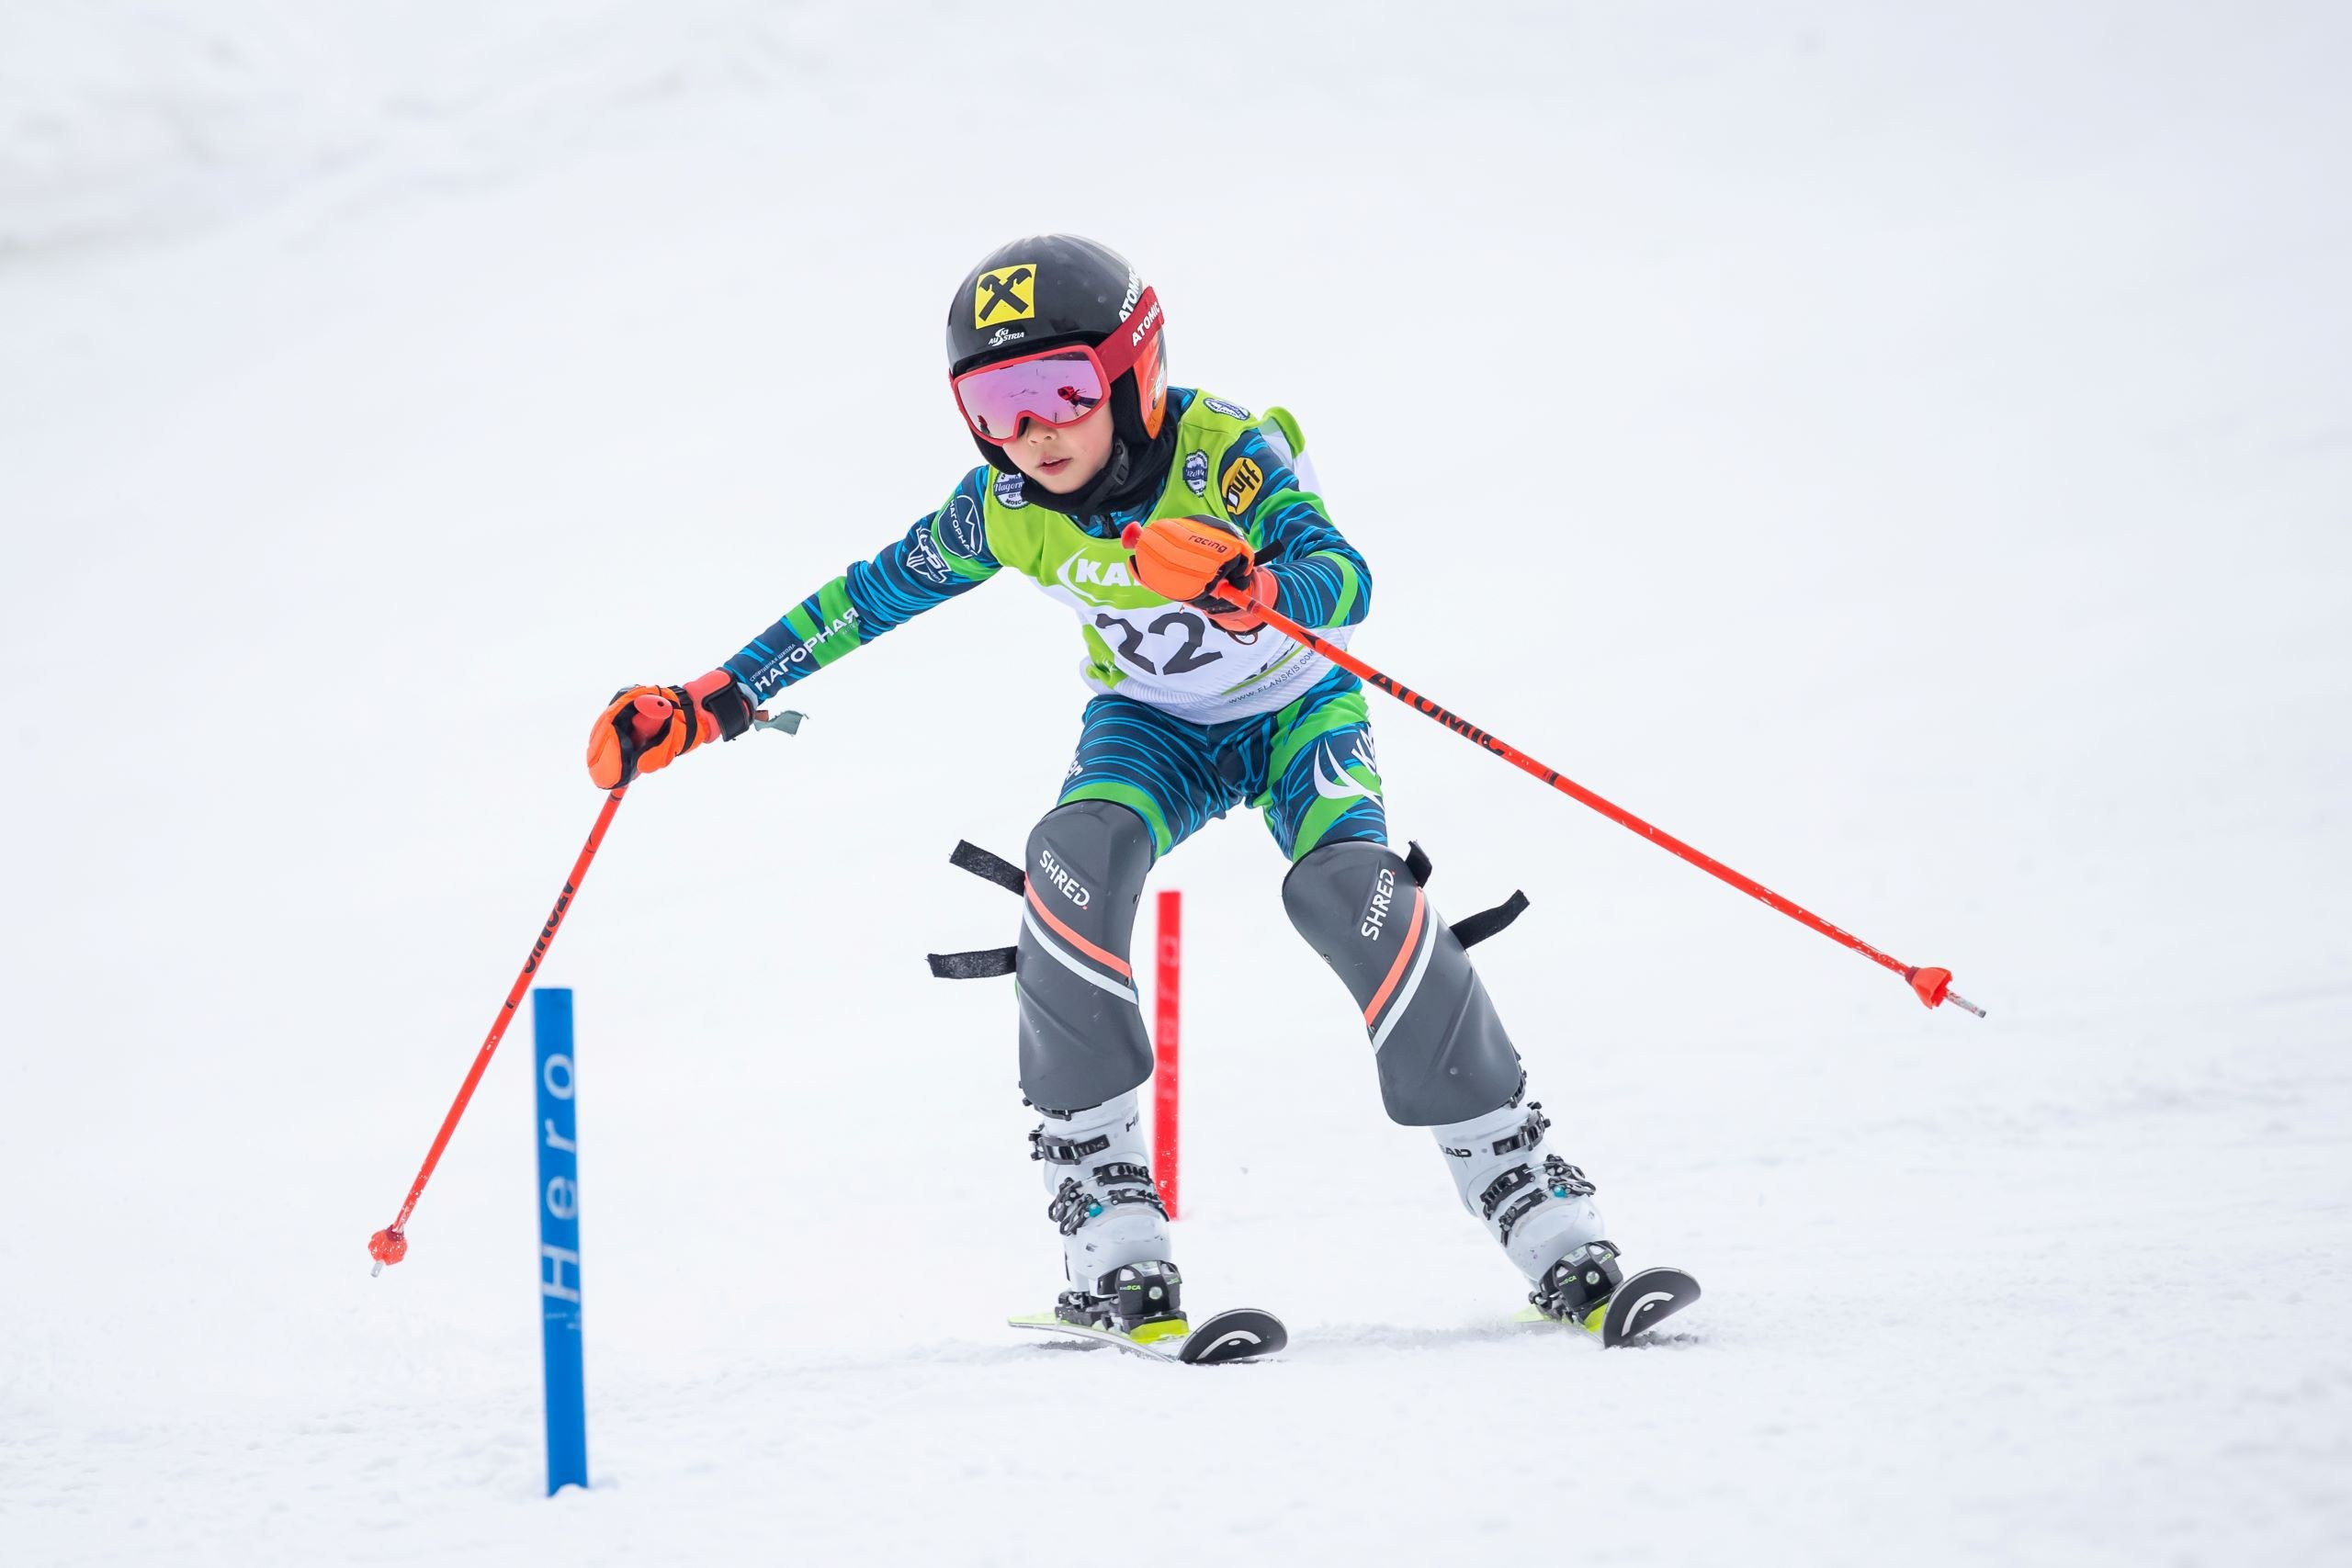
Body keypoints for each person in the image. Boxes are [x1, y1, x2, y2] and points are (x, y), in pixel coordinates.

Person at [586, 234, 1627, 1341]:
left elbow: (1343, 577)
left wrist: (1255, 584)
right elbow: (871, 594)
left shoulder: (1219, 452)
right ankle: (1105, 1220)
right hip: (1150, 728)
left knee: (1354, 893)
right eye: (993, 404)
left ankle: (1529, 1196)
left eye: (1058, 391)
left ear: (1132, 374)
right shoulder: (1003, 504)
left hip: (1295, 716)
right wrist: (718, 697)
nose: (1029, 432)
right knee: (1070, 864)